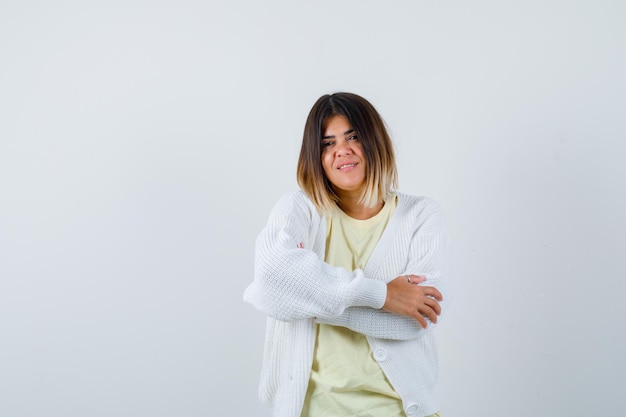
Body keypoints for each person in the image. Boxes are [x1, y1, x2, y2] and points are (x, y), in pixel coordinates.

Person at [244, 92, 451, 417]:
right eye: (327, 143)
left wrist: (305, 302)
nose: (342, 150)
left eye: (353, 136)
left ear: (375, 141)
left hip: (399, 409)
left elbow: (418, 318)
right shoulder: (298, 210)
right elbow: (272, 280)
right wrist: (383, 295)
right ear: (315, 155)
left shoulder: (420, 215)